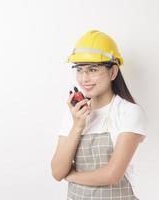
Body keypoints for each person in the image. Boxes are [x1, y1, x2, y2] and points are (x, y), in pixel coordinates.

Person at [51, 30, 148, 200]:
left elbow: (112, 174)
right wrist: (78, 125)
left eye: (92, 69)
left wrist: (72, 176)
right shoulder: (74, 114)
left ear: (113, 72)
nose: (84, 78)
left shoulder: (129, 112)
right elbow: (58, 172)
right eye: (79, 70)